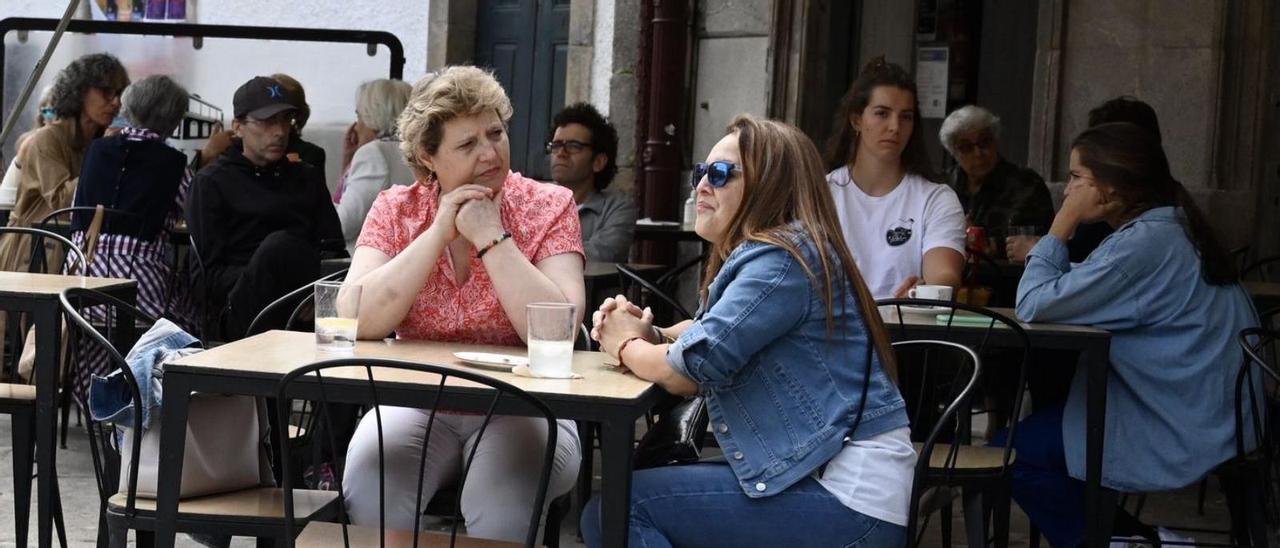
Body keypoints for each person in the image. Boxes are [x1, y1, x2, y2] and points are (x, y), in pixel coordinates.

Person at [581, 114, 913, 547]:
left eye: (719, 174)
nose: (701, 185)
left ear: (771, 185)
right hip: (817, 473)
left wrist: (621, 342)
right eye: (701, 172)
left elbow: (691, 369)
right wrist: (653, 334)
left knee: (617, 512)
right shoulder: (783, 251)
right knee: (624, 504)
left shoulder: (782, 260)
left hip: (848, 500)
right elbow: (709, 332)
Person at [340, 66, 584, 542]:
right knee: (371, 481)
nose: (491, 154)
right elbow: (353, 318)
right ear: (428, 157)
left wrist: (492, 237)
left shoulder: (549, 204)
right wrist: (437, 233)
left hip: (525, 406)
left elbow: (559, 331)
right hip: (415, 400)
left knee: (502, 507)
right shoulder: (397, 207)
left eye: (495, 133)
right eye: (467, 144)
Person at [1006, 122, 1257, 547]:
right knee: (1047, 431)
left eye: (1076, 178)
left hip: (1180, 419)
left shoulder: (1143, 243)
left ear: (1112, 185)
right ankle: (1137, 539)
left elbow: (1033, 304)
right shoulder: (1167, 228)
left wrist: (1060, 226)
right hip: (1211, 409)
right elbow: (1085, 285)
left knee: (1010, 454)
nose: (1068, 190)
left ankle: (1138, 543)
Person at [186, 76, 343, 341]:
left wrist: (318, 294)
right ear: (238, 127)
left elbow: (335, 254)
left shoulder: (306, 178)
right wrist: (271, 280)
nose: (280, 132)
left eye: (285, 120)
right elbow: (204, 280)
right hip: (241, 315)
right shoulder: (212, 182)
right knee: (277, 248)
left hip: (305, 309)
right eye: (267, 122)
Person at [69, 74, 197, 395]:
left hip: (80, 283)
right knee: (191, 318)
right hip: (137, 288)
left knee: (96, 331)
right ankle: (145, 396)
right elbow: (194, 215)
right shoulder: (175, 164)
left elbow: (76, 208)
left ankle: (97, 392)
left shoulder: (96, 150)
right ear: (173, 120)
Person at [824, 57, 965, 299]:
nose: (895, 126)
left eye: (906, 116)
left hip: (904, 332)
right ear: (856, 119)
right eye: (882, 113)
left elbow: (945, 276)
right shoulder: (821, 192)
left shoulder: (936, 198)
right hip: (831, 331)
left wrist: (925, 291)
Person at [0, 53, 129, 274]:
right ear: (80, 92)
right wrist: (104, 156)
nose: (116, 102)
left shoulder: (102, 142)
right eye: (107, 91)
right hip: (33, 257)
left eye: (120, 93)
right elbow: (62, 203)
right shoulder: (46, 139)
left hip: (80, 253)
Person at [1005, 96, 1163, 264]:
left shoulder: (1139, 234)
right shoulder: (1157, 213)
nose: (1068, 190)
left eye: (1076, 175)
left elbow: (1051, 288)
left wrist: (1044, 244)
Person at [940, 105, 1054, 257]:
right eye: (966, 147)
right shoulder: (943, 187)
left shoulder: (1026, 184)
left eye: (984, 142)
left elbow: (1040, 241)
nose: (978, 153)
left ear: (996, 141)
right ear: (953, 152)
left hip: (1007, 275)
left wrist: (988, 244)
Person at [547, 102, 636, 262]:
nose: (561, 153)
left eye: (574, 146)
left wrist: (540, 252)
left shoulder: (617, 207)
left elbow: (604, 254)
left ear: (599, 162)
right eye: (556, 145)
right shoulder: (536, 201)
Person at [333, 78, 413, 252]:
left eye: (359, 116)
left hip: (361, 262)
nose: (356, 126)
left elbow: (343, 225)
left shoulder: (374, 154)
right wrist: (349, 160)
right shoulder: (416, 150)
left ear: (374, 116)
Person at [271, 73, 327, 173]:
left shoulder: (310, 154)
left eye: (285, 117)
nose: (279, 131)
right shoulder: (242, 150)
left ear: (295, 115)